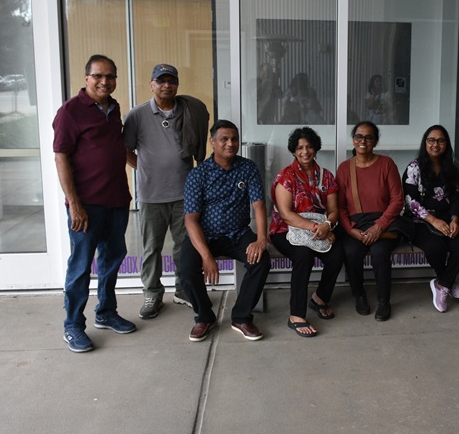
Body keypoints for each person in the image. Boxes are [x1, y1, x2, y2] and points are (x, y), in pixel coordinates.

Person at [53, 54, 136, 353]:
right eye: (98, 76)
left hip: (117, 200)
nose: (104, 81)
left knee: (112, 259)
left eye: (110, 76)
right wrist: (74, 204)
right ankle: (73, 325)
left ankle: (106, 312)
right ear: (86, 78)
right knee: (81, 265)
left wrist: (147, 167)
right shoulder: (70, 111)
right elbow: (61, 157)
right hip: (86, 205)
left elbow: (118, 148)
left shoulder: (113, 108)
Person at [123, 63, 209, 319]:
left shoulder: (189, 111)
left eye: (171, 81)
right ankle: (152, 293)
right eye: (161, 81)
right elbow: (125, 149)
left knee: (185, 247)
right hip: (152, 195)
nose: (166, 85)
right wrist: (145, 168)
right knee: (152, 248)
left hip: (184, 194)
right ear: (152, 85)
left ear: (177, 85)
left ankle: (183, 289)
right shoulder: (137, 115)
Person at [180, 120, 271, 342]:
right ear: (213, 142)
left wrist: (261, 239)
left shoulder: (248, 168)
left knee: (261, 261)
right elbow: (190, 219)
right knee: (186, 269)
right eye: (224, 139)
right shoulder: (198, 174)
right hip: (205, 235)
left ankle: (241, 317)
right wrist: (206, 256)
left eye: (234, 139)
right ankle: (204, 316)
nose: (230, 143)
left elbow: (259, 205)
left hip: (237, 234)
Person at [269, 127, 345, 337]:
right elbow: (286, 215)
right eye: (300, 147)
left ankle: (319, 298)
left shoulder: (326, 176)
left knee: (338, 254)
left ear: (316, 149)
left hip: (320, 229)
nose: (305, 151)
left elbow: (334, 210)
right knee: (303, 255)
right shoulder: (286, 176)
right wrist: (318, 229)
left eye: (309, 147)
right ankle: (296, 315)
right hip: (285, 231)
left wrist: (327, 225)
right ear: (294, 150)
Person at [336, 121, 406, 322]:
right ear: (353, 140)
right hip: (356, 224)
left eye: (369, 137)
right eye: (359, 136)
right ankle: (359, 295)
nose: (363, 141)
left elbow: (397, 200)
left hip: (384, 222)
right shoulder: (345, 168)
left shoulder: (386, 164)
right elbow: (340, 206)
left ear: (375, 141)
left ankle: (384, 301)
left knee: (379, 253)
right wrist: (351, 230)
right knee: (351, 252)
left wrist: (379, 226)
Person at [403, 125, 459, 313]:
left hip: (447, 219)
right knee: (435, 246)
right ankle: (448, 281)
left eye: (441, 141)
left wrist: (455, 219)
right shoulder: (414, 168)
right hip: (420, 221)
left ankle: (443, 284)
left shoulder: (452, 168)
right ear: (425, 143)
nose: (435, 144)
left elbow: (456, 198)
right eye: (431, 140)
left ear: (446, 144)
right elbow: (410, 202)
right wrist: (433, 220)